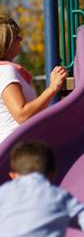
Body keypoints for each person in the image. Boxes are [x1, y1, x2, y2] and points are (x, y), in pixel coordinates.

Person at [0, 16, 67, 146]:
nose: (21, 39)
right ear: (4, 43)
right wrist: (53, 88)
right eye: (16, 37)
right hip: (15, 149)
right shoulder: (6, 71)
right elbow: (22, 115)